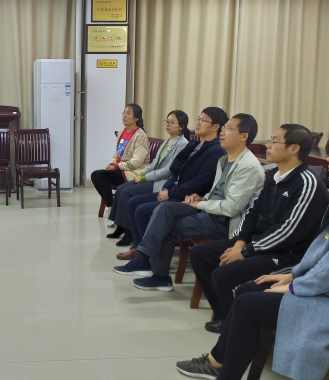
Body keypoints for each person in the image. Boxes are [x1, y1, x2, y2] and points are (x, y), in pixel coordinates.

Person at [177, 122, 329, 380]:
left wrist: (296, 286)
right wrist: (293, 275)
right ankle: (218, 360)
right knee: (250, 289)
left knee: (249, 303)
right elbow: (327, 253)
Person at [190, 124, 329, 333]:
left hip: (286, 254)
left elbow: (288, 231)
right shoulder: (273, 175)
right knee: (200, 254)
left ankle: (239, 327)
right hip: (257, 244)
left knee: (223, 274)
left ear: (294, 148)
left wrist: (246, 251)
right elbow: (253, 212)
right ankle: (228, 319)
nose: (267, 145)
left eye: (274, 141)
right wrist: (239, 244)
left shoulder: (307, 183)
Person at [114, 114, 265, 291]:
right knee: (165, 210)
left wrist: (199, 204)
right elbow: (217, 192)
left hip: (225, 222)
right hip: (210, 210)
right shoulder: (225, 159)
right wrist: (202, 198)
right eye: (224, 128)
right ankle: (149, 264)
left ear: (244, 136)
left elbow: (232, 207)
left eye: (228, 128)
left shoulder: (248, 166)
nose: (223, 132)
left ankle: (153, 269)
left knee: (166, 223)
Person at [113, 107, 227, 260]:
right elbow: (175, 170)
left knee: (140, 207)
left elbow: (200, 182)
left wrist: (170, 192)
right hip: (173, 189)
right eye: (198, 119)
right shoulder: (194, 145)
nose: (198, 123)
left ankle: (143, 253)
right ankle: (138, 246)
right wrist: (167, 188)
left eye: (203, 120)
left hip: (188, 197)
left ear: (216, 127)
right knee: (133, 201)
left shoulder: (215, 150)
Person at [105, 111, 190, 243]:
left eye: (172, 122)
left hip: (162, 182)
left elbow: (169, 170)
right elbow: (154, 163)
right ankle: (121, 226)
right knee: (122, 188)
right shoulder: (167, 140)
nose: (167, 124)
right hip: (152, 177)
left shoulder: (182, 144)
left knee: (127, 192)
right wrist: (142, 174)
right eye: (167, 121)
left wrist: (146, 177)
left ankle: (129, 232)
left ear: (181, 127)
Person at [90, 104, 150, 217]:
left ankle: (112, 209)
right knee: (95, 175)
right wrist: (112, 163)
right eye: (124, 113)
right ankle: (112, 207)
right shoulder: (123, 131)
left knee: (101, 175)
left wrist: (116, 167)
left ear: (136, 118)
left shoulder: (140, 136)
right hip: (122, 168)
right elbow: (117, 153)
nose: (124, 116)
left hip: (133, 172)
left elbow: (136, 162)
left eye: (128, 113)